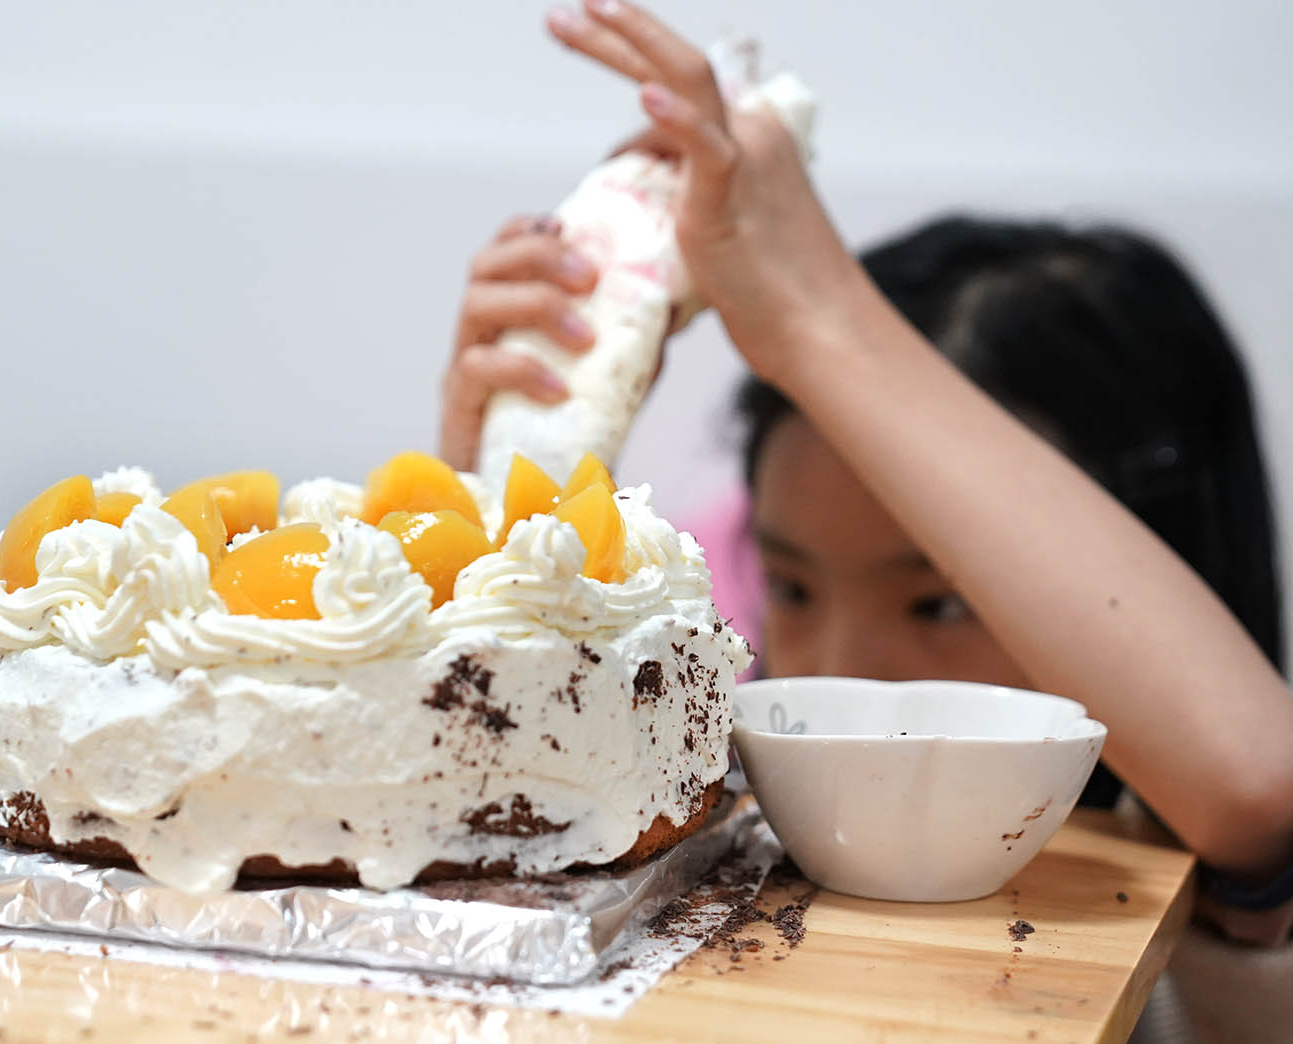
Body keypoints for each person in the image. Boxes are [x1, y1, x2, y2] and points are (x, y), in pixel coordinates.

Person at [441, 2, 1293, 1036]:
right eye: (791, 588)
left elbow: (1257, 789)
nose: (838, 670)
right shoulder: (723, 699)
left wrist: (814, 316)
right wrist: (500, 484)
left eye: (940, 604)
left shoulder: (1223, 959)